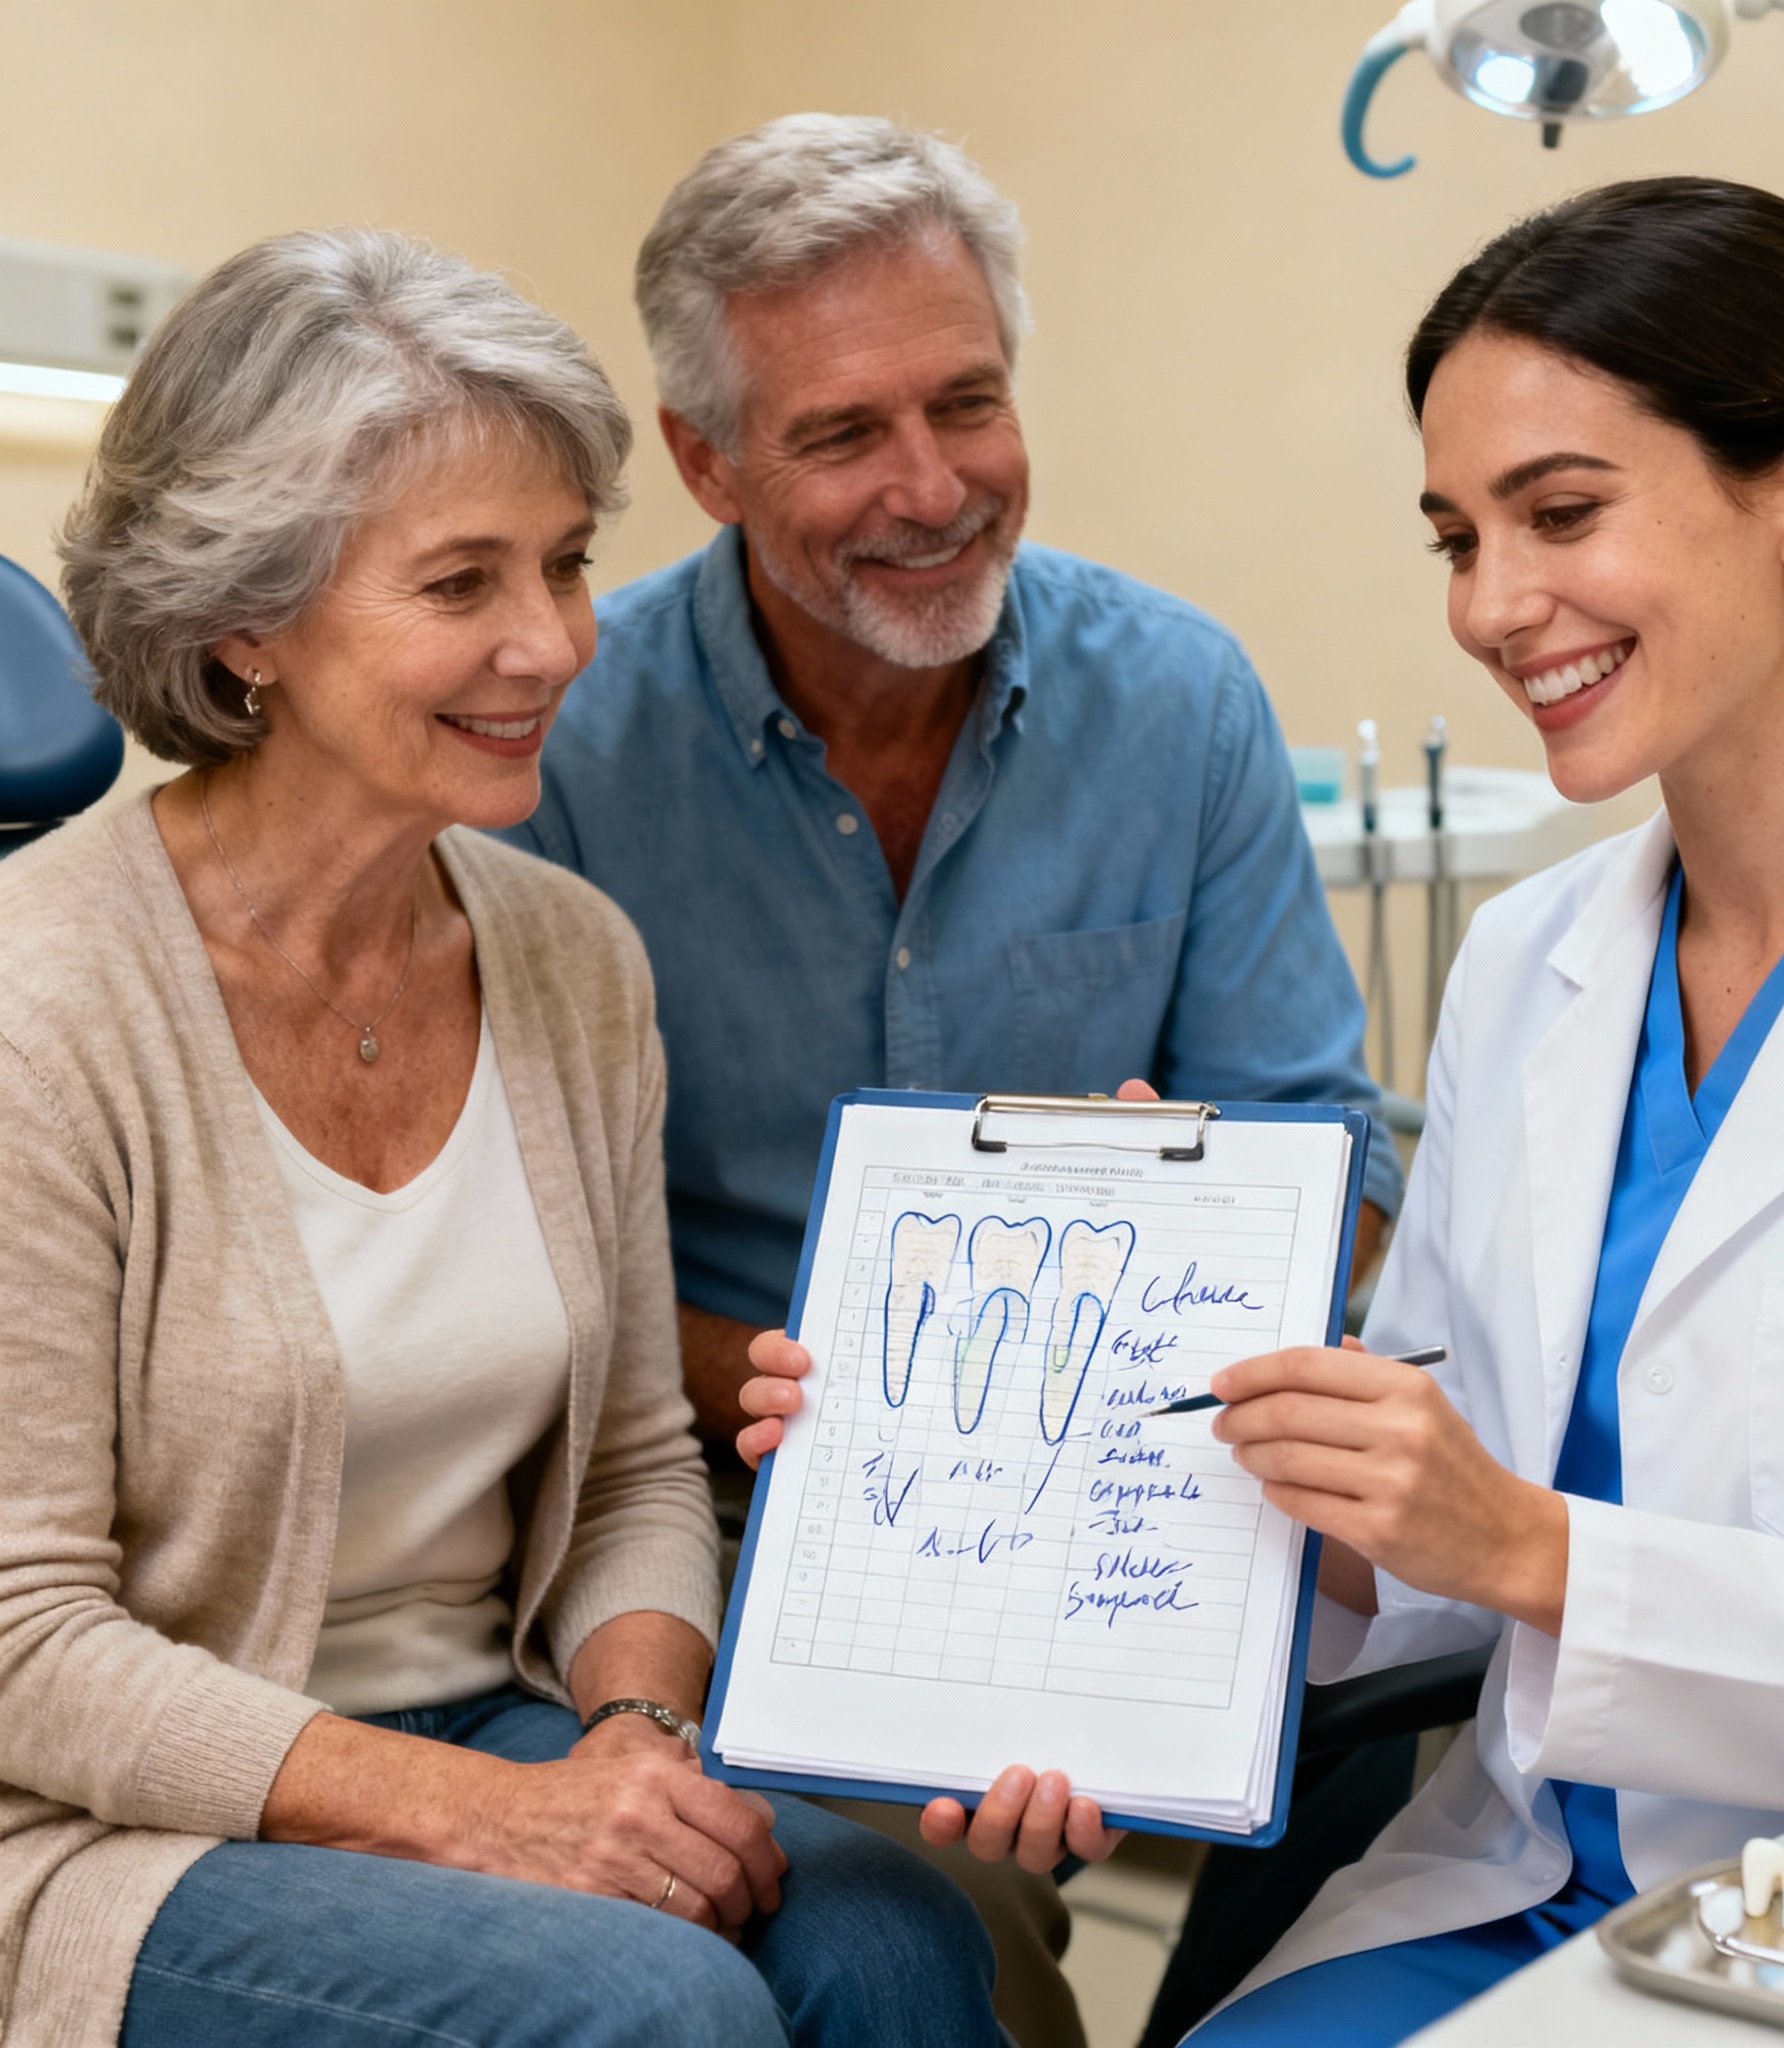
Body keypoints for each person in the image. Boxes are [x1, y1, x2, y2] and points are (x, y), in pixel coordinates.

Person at [844, 174, 1784, 2040]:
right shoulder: (1532, 963)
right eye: (1457, 538)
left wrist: (1526, 1543)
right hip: (1520, 1881)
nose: (1491, 607)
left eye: (1561, 515)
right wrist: (1120, 1412)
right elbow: (1426, 1563)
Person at [0, 225, 1001, 2048]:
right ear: (246, 619)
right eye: (461, 582)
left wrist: (635, 1741)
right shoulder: (40, 1004)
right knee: (658, 2008)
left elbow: (629, 1468)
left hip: (492, 1717)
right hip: (110, 1823)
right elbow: (22, 1641)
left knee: (896, 1948)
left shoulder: (566, 956)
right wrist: (483, 1814)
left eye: (565, 562)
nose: (550, 643)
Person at [501, 113, 1407, 2046]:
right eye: (842, 434)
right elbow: (532, 1263)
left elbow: (1335, 1156)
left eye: (968, 403)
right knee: (940, 1927)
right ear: (705, 461)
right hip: (710, 1497)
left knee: (1406, 1780)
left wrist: (1214, 1250)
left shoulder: (1180, 701)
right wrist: (829, 1405)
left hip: (1131, 1481)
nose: (932, 487)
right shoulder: (566, 751)